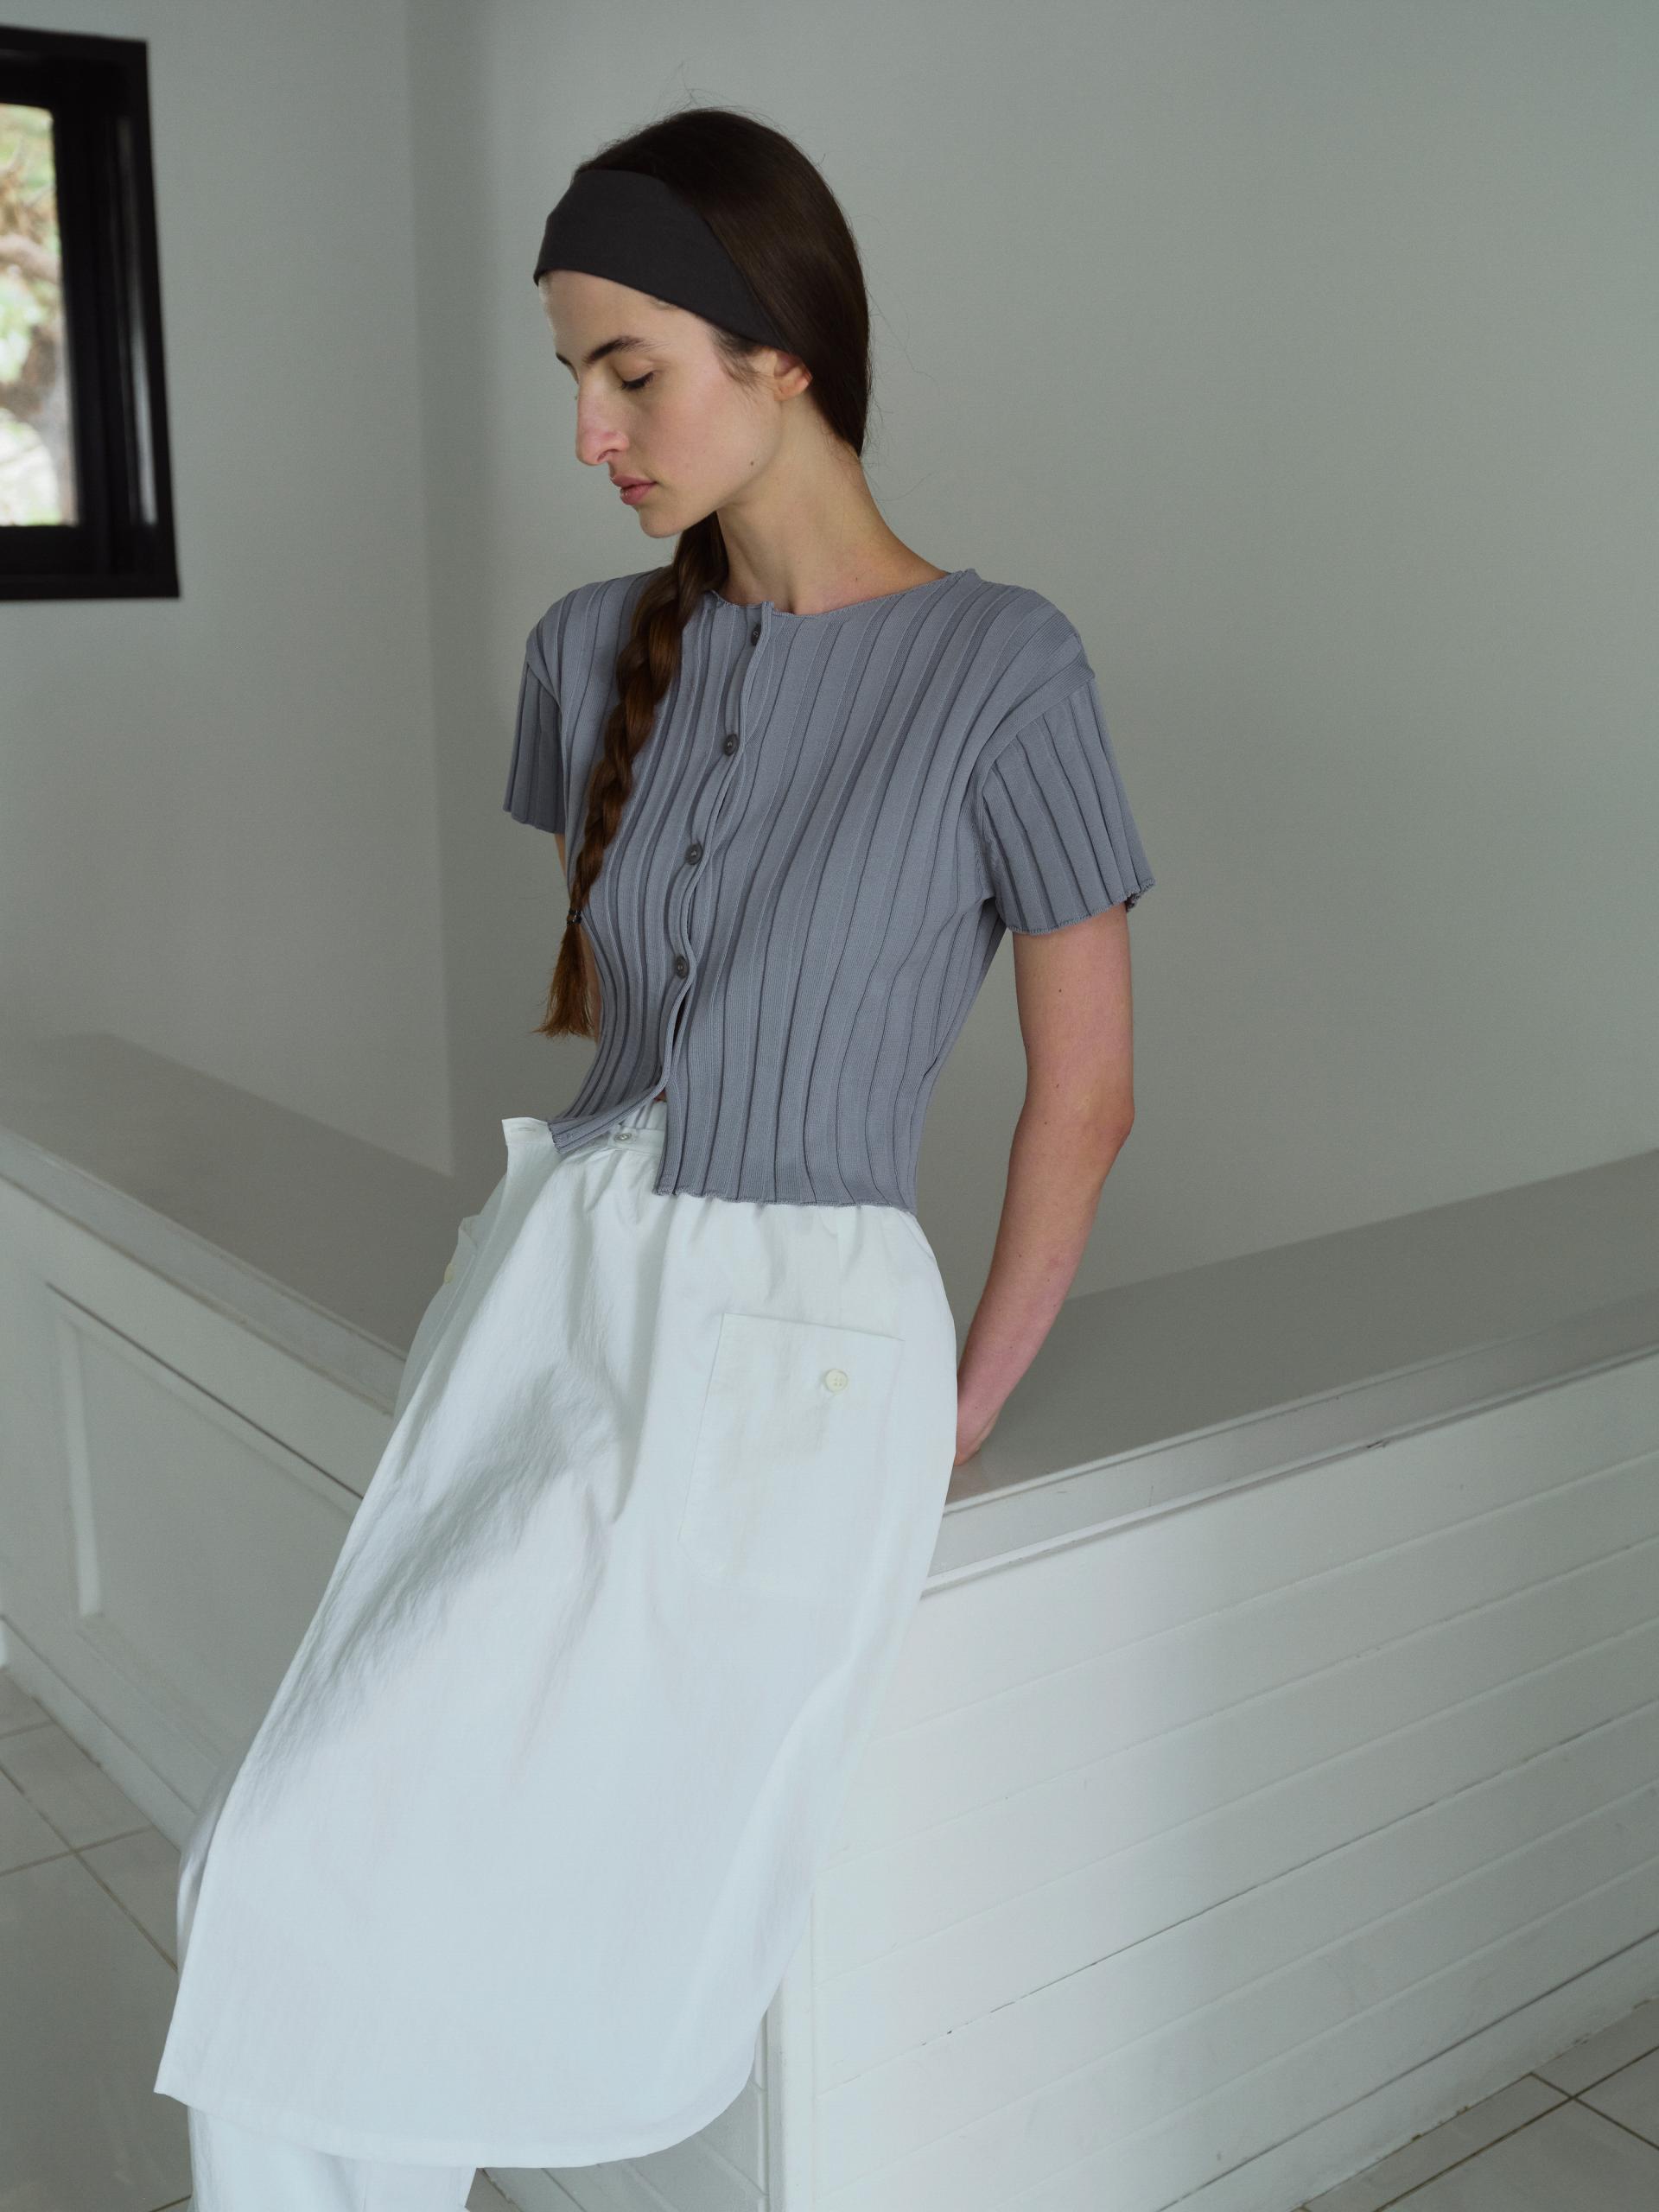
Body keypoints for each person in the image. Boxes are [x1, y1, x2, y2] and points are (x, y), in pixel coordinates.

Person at [152, 105, 1154, 2209]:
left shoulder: (1007, 667)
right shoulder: (589, 652)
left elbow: (1085, 1096)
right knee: (299, 1849)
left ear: (781, 347)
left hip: (798, 1329)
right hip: (557, 1285)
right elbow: (648, 1024)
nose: (593, 432)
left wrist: (961, 1396)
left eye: (631, 369)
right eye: (573, 377)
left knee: (430, 1870)